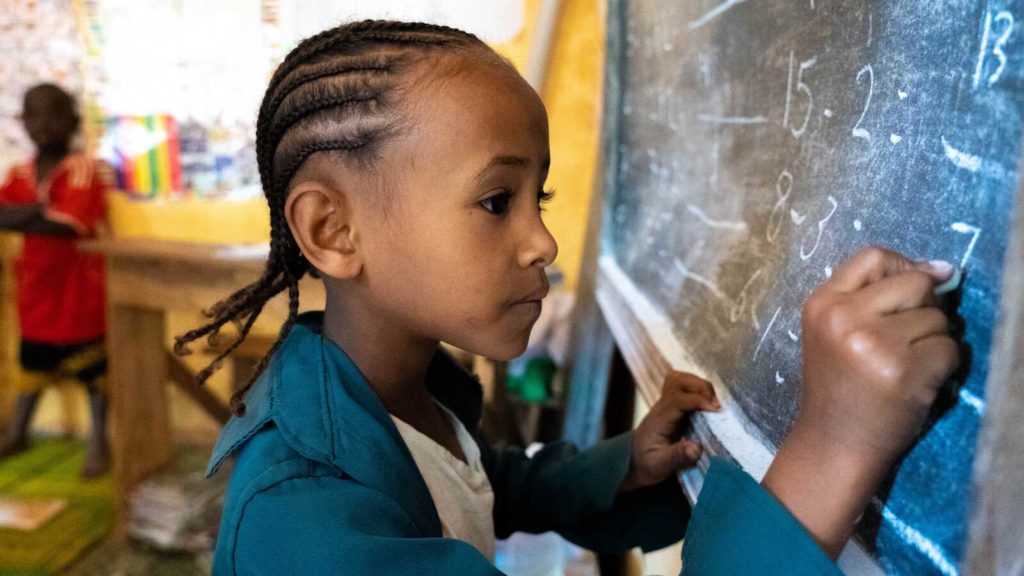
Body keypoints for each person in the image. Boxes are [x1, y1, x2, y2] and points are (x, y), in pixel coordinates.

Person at [179, 21, 959, 574]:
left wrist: (623, 469)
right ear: (333, 230)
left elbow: (485, 483)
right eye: (495, 202)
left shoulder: (400, 397)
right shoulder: (303, 524)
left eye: (539, 200)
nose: (543, 242)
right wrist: (831, 449)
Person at [0, 83, 112, 479]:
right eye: (32, 115)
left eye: (52, 114)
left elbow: (65, 226)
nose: (41, 123)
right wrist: (39, 210)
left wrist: (28, 215)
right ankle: (18, 432)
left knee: (95, 374)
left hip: (79, 291)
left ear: (73, 121)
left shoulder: (84, 168)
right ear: (23, 122)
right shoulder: (18, 172)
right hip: (36, 290)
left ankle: (99, 441)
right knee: (31, 365)